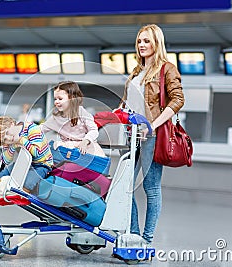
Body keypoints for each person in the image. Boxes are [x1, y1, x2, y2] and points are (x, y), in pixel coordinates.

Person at [119, 24, 185, 246]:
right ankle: (135, 234)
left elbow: (178, 99)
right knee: (125, 186)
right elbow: (129, 102)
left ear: (157, 43)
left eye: (146, 41)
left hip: (152, 137)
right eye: (139, 41)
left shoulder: (167, 69)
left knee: (150, 187)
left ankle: (146, 239)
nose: (141, 45)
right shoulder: (137, 72)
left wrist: (153, 125)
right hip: (133, 136)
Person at [0, 116, 53, 194]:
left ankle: (20, 195)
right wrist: (13, 146)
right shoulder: (8, 141)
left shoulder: (32, 129)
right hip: (25, 163)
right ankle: (2, 193)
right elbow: (6, 161)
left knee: (28, 183)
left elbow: (37, 153)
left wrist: (21, 140)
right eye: (4, 139)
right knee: (2, 175)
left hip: (42, 164)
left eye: (7, 132)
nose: (9, 138)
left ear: (11, 124)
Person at [41, 81, 105, 156]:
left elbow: (94, 130)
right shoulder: (56, 117)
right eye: (55, 99)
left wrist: (85, 141)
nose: (56, 102)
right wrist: (27, 129)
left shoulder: (81, 112)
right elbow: (40, 129)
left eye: (60, 99)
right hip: (68, 150)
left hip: (86, 149)